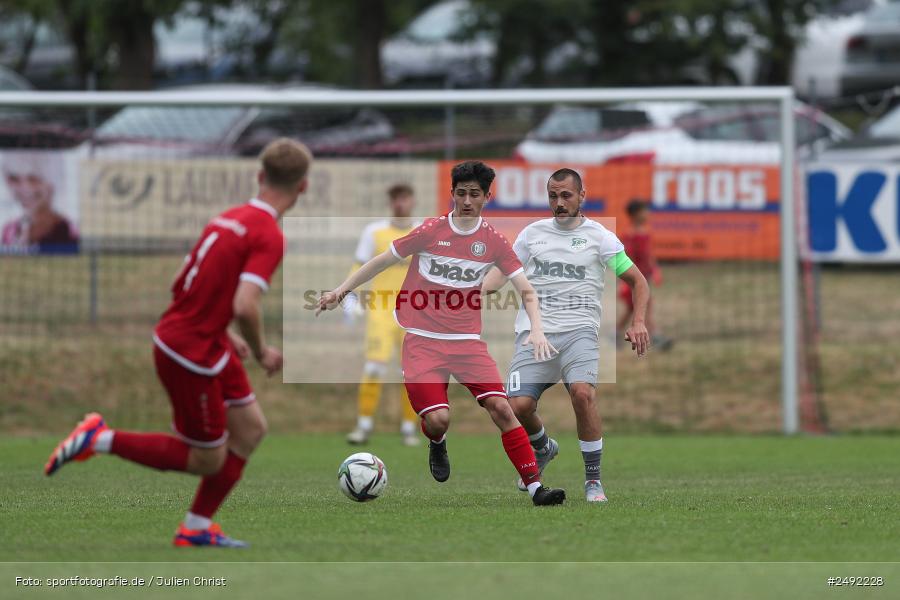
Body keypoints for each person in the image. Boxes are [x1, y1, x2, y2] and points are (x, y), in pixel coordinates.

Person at [43, 138, 313, 547]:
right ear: (303, 187)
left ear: (259, 176)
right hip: (189, 352)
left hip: (205, 340)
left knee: (252, 429)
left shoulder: (225, 218)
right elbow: (245, 304)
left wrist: (222, 332)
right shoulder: (269, 235)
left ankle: (197, 528)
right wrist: (260, 350)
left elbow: (182, 284)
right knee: (207, 457)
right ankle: (98, 438)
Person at [318, 160, 566, 506]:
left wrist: (537, 329)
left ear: (486, 197)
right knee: (438, 420)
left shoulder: (493, 241)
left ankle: (537, 488)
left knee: (502, 409)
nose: (466, 200)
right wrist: (340, 291)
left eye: (474, 194)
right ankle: (437, 442)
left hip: (466, 344)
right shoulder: (431, 230)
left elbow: (525, 287)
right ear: (451, 194)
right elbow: (380, 261)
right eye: (461, 193)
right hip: (421, 340)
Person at [481, 168, 650, 503]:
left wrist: (639, 321)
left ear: (581, 196)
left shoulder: (599, 237)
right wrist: (472, 289)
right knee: (518, 405)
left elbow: (638, 281)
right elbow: (500, 276)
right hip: (534, 333)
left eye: (566, 196)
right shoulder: (531, 235)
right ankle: (543, 446)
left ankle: (593, 481)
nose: (558, 203)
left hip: (579, 333)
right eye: (553, 196)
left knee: (583, 395)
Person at [344, 184, 422, 447]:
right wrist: (351, 298)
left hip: (414, 312)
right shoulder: (374, 232)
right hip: (380, 310)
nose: (400, 203)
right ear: (391, 202)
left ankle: (409, 429)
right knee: (374, 366)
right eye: (395, 199)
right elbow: (359, 265)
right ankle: (363, 427)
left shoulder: (422, 231)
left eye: (404, 198)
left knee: (411, 373)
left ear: (411, 201)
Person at [616, 199, 672, 350]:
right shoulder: (630, 236)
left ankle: (615, 335)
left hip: (644, 279)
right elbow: (625, 260)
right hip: (633, 281)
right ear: (635, 215)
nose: (648, 213)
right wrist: (625, 282)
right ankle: (655, 336)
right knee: (644, 305)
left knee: (632, 308)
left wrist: (655, 270)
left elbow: (649, 256)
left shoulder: (645, 233)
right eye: (645, 210)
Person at [1, 152, 78, 251]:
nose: (24, 188)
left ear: (52, 182)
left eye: (33, 178)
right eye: (14, 178)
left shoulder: (70, 233)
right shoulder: (8, 231)